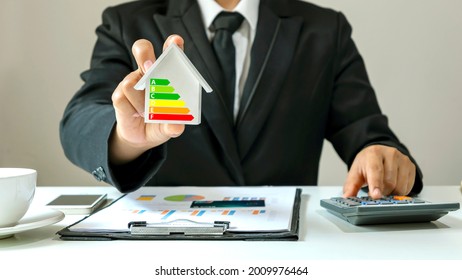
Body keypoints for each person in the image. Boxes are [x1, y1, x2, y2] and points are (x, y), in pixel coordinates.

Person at [60, 0, 423, 198]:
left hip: (292, 253)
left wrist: (380, 157)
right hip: (166, 248)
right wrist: (125, 139)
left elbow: (369, 135)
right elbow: (80, 122)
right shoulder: (127, 22)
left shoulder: (325, 30)